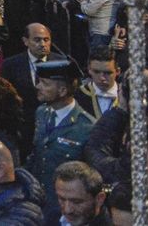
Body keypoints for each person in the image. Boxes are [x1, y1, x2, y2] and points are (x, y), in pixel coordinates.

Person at [27, 58, 95, 200]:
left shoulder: (87, 127)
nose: (38, 86)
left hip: (64, 203)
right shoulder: (41, 113)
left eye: (45, 83)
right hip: (37, 200)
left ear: (62, 90)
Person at [51, 160, 109, 226]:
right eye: (62, 199)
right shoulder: (52, 217)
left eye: (76, 202)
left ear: (99, 199)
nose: (68, 210)